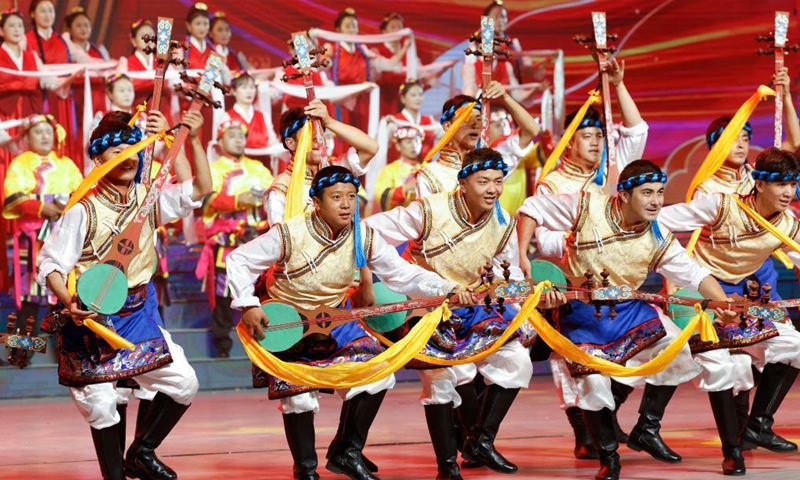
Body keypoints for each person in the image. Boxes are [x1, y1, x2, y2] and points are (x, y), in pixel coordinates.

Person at [227, 165, 460, 480]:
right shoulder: (289, 233)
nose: (346, 204)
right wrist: (247, 303)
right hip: (288, 324)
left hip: (333, 320)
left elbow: (401, 273)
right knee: (298, 399)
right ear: (317, 202)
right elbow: (239, 259)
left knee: (377, 375)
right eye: (336, 197)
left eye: (351, 196)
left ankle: (346, 452)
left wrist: (447, 288)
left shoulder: (364, 237)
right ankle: (306, 470)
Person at [518, 160, 743, 480]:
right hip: (582, 315)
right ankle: (609, 458)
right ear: (623, 195)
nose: (656, 200)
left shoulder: (657, 235)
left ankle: (646, 427)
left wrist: (721, 304)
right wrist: (523, 260)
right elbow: (530, 209)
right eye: (647, 192)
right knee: (594, 386)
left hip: (629, 310)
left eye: (661, 193)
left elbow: (694, 273)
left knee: (676, 351)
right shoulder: (585, 206)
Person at [367, 148, 565, 479]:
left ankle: (479, 442)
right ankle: (447, 467)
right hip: (430, 310)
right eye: (483, 181)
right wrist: (411, 279)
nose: (493, 189)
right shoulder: (429, 211)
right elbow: (368, 233)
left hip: (474, 310)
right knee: (440, 382)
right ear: (463, 183)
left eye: (499, 182)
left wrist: (532, 297)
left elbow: (510, 274)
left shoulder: (502, 222)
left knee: (516, 360)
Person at [37, 109, 212, 480]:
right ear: (98, 160)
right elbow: (51, 265)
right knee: (102, 404)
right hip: (92, 320)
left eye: (132, 149)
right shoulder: (83, 210)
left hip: (136, 315)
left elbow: (199, 190)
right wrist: (68, 302)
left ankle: (141, 453)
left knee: (184, 383)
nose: (127, 157)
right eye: (115, 152)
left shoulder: (148, 199)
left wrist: (188, 138)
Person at [660, 147, 800, 456]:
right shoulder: (722, 205)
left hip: (740, 301)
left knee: (795, 346)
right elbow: (659, 218)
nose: (789, 192)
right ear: (759, 183)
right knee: (723, 367)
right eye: (781, 184)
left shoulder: (787, 224)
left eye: (793, 184)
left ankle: (758, 425)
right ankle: (727, 449)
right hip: (703, 298)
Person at [200, 119, 274, 358]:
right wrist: (236, 200)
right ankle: (223, 345)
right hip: (227, 243)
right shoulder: (214, 169)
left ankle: (265, 341)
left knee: (262, 289)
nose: (238, 139)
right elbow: (207, 199)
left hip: (257, 240)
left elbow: (275, 195)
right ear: (220, 141)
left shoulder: (259, 168)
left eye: (241, 135)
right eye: (231, 135)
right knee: (223, 294)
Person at [2, 113, 82, 331]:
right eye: (38, 132)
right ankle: (22, 352)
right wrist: (41, 207)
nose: (45, 136)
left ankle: (65, 352)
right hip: (32, 238)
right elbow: (13, 195)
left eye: (48, 131)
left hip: (63, 237)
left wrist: (64, 208)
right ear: (27, 138)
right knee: (28, 295)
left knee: (64, 292)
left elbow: (81, 192)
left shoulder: (67, 164)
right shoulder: (20, 163)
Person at [415, 82, 539, 198]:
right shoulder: (431, 174)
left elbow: (531, 131)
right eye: (467, 118)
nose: (475, 125)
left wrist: (505, 97)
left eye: (479, 119)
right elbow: (427, 219)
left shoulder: (489, 163)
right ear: (448, 126)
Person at [266, 100, 377, 225]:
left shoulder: (336, 169)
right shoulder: (282, 187)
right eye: (308, 133)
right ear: (291, 143)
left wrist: (329, 121)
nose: (317, 139)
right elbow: (278, 238)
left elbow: (371, 148)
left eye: (319, 131)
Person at [25, 0, 80, 163]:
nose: (48, 14)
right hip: (41, 97)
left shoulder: (63, 40)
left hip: (63, 99)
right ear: (33, 14)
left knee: (65, 136)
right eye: (43, 10)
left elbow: (84, 60)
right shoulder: (26, 39)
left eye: (51, 10)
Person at [0, 9, 43, 164]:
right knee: (6, 153)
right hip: (5, 113)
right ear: (1, 31)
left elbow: (45, 78)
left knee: (27, 156)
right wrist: (15, 85)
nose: (17, 29)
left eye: (20, 25)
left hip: (27, 111)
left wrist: (73, 76)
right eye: (12, 26)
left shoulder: (31, 56)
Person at [370, 12, 413, 116]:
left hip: (404, 100)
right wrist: (404, 48)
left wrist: (443, 68)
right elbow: (389, 65)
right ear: (384, 31)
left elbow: (420, 72)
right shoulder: (376, 51)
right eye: (393, 27)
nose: (397, 30)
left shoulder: (409, 53)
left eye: (399, 27)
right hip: (384, 99)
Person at [372, 125, 423, 212]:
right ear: (398, 146)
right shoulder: (389, 170)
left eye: (417, 141)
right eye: (408, 142)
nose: (414, 145)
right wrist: (406, 188)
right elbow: (381, 196)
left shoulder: (427, 168)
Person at [222, 71, 275, 150]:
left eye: (251, 87)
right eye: (244, 87)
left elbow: (273, 143)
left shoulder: (264, 116)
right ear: (234, 91)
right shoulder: (227, 117)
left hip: (263, 161)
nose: (249, 91)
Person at [184, 2, 213, 70]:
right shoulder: (181, 49)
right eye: (198, 24)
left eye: (205, 24)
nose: (202, 28)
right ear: (188, 26)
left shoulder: (214, 50)